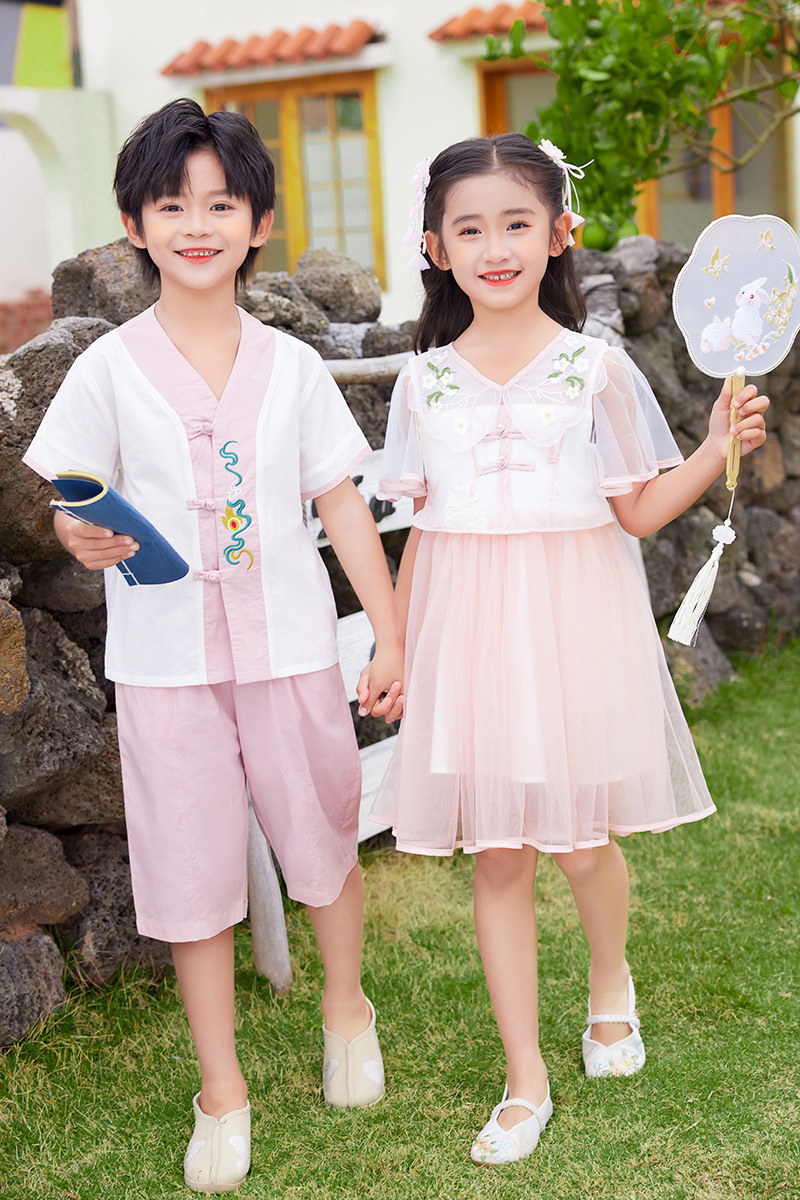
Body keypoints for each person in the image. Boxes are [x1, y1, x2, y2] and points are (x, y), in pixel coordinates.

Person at [23, 98, 404, 1194]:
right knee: (188, 871)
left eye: (221, 204)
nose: (197, 225)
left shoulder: (292, 367)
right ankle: (221, 1091)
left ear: (258, 223)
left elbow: (340, 502)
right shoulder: (106, 369)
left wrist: (389, 635)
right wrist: (77, 534)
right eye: (172, 205)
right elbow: (70, 505)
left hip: (289, 647)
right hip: (168, 665)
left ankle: (346, 1009)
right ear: (133, 225)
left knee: (322, 832)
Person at [371, 134, 769, 1166]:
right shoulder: (422, 383)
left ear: (559, 233)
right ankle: (523, 1078)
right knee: (498, 854)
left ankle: (609, 981)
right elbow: (422, 534)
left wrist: (713, 448)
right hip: (468, 634)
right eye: (470, 229)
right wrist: (395, 645)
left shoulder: (595, 367)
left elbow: (637, 512)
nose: (495, 247)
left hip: (573, 624)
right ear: (435, 248)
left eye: (516, 223)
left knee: (582, 843)